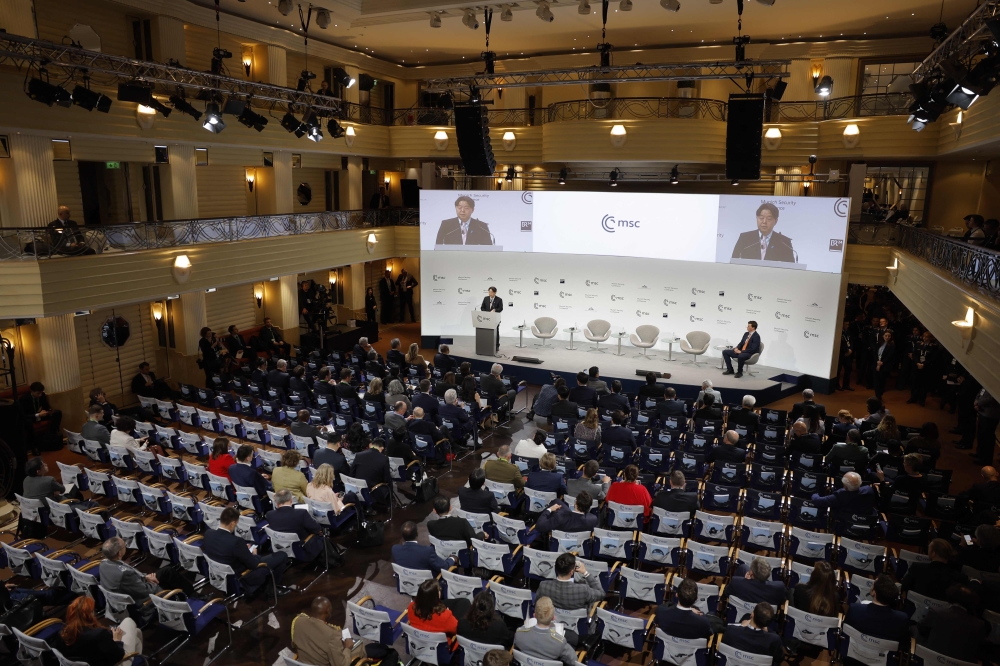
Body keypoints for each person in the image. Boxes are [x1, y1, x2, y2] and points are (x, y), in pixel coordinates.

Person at [202, 506, 290, 597]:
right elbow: (254, 565)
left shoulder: (209, 533)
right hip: (243, 576)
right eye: (236, 523)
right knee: (282, 555)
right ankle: (272, 589)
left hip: (220, 574)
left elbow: (223, 549)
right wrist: (254, 554)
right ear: (232, 523)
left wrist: (243, 550)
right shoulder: (236, 542)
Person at [99, 536, 196, 612]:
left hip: (132, 587)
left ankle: (188, 593)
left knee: (167, 571)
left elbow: (130, 573)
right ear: (119, 553)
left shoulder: (104, 563)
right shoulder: (124, 574)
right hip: (142, 601)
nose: (126, 546)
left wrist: (145, 576)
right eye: (124, 545)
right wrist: (153, 582)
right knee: (168, 578)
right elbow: (145, 591)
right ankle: (188, 598)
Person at [51, 596, 140, 666]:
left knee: (137, 632)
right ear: (90, 614)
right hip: (115, 662)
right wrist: (117, 640)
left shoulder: (62, 634)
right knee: (128, 621)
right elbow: (118, 656)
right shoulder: (99, 634)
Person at [918, 584, 990, 662]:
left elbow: (921, 629)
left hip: (931, 660)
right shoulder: (979, 625)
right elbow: (979, 648)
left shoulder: (936, 613)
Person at [267, 489, 330, 563]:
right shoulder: (301, 513)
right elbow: (316, 529)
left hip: (279, 547)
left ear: (276, 502)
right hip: (302, 549)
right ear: (291, 500)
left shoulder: (269, 514)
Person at [843, 574, 909, 644]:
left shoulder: (855, 609)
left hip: (854, 651)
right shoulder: (902, 619)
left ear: (874, 593)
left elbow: (845, 632)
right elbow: (903, 644)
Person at [290, 596, 355, 666]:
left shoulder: (298, 621)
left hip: (303, 662)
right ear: (328, 610)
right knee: (359, 647)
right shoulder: (332, 634)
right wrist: (348, 648)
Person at [514, 597, 578, 666]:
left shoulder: (519, 633)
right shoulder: (560, 643)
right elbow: (574, 660)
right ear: (553, 618)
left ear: (534, 615)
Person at [655, 577, 725, 638]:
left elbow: (664, 606)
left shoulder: (661, 612)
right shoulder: (703, 622)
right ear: (696, 598)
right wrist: (692, 610)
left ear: (676, 595)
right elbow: (707, 633)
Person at [538, 552, 605, 615]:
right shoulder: (583, 590)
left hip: (553, 621)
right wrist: (585, 572)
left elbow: (538, 604)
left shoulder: (543, 586)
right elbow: (601, 594)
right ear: (572, 571)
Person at [901, 538, 968, 600]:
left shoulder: (917, 568)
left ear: (933, 553)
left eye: (929, 549)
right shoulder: (959, 578)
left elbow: (904, 586)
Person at [730, 202, 795, 263]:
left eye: (769, 219)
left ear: (776, 221)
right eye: (761, 218)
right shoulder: (744, 238)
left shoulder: (784, 242)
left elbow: (791, 269)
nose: (764, 222)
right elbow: (733, 261)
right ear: (757, 218)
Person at [810, 472, 876, 526]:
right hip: (864, 522)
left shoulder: (841, 495)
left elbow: (817, 501)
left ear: (845, 487)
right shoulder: (869, 490)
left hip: (844, 523)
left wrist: (815, 493)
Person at [19, 381, 62, 450]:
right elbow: (24, 415)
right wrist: (38, 415)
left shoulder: (42, 395)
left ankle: (52, 435)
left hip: (42, 415)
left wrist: (49, 411)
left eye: (41, 392)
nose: (40, 395)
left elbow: (46, 406)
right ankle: (34, 447)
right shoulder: (24, 399)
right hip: (32, 417)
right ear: (32, 391)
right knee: (27, 422)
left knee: (57, 413)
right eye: (38, 393)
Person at [975, 388, 1000, 466]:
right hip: (983, 411)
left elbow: (992, 398)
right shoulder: (987, 382)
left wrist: (978, 403)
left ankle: (986, 459)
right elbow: (981, 391)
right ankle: (980, 453)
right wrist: (976, 401)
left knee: (987, 437)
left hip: (991, 414)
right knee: (981, 435)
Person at [872, 329, 896, 401]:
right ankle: (877, 395)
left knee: (882, 381)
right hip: (876, 364)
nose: (887, 337)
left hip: (885, 365)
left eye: (889, 336)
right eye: (886, 335)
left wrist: (882, 362)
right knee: (876, 380)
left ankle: (880, 394)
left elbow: (890, 356)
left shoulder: (892, 345)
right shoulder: (879, 343)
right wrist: (877, 361)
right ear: (883, 336)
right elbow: (874, 353)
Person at [481, 286, 503, 352]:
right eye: (489, 292)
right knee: (487, 332)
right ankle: (487, 345)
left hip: (495, 319)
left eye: (491, 292)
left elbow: (500, 308)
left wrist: (495, 310)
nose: (490, 293)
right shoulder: (486, 298)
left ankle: (497, 346)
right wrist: (487, 313)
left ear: (495, 293)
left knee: (496, 332)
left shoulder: (499, 299)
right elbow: (482, 307)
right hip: (486, 318)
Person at [837, 320, 856, 391]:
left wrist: (850, 349)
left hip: (849, 353)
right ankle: (837, 385)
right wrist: (846, 350)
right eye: (846, 324)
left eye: (848, 324)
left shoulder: (848, 332)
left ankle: (846, 385)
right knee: (838, 370)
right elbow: (839, 343)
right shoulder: (839, 332)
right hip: (841, 354)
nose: (847, 326)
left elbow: (851, 341)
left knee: (848, 369)